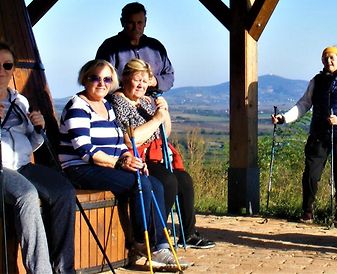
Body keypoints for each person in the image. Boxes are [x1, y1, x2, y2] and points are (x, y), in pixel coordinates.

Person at [58, 59, 189, 271]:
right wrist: (120, 163)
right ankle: (142, 241)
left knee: (154, 183)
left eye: (107, 79)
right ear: (84, 79)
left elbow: (119, 143)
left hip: (104, 165)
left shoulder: (107, 107)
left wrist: (131, 158)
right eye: (95, 78)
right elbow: (85, 151)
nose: (101, 83)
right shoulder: (77, 106)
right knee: (140, 184)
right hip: (79, 169)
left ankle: (161, 245)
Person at [110, 58, 215, 249]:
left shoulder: (146, 101)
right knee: (168, 180)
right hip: (134, 156)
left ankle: (188, 233)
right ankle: (156, 235)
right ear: (125, 79)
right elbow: (131, 137)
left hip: (155, 155)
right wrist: (157, 119)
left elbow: (164, 132)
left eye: (145, 80)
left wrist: (164, 113)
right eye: (137, 79)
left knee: (184, 180)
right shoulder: (118, 101)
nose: (141, 84)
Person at [0, 41, 76, 274]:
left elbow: (31, 143)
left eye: (7, 65)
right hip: (2, 169)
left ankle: (64, 268)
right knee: (27, 195)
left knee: (65, 191)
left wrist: (38, 128)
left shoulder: (18, 101)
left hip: (22, 165)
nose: (1, 71)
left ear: (13, 69)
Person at [272, 46, 337, 223]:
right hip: (319, 134)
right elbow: (303, 104)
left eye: (332, 58)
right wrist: (283, 118)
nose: (329, 61)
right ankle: (307, 211)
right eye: (326, 58)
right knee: (311, 174)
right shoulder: (316, 81)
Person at [96, 2, 174, 94]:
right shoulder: (109, 47)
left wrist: (155, 81)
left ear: (145, 22)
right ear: (122, 22)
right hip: (119, 102)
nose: (136, 27)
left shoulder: (156, 47)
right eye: (131, 23)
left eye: (139, 23)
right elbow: (100, 80)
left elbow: (169, 76)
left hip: (153, 102)